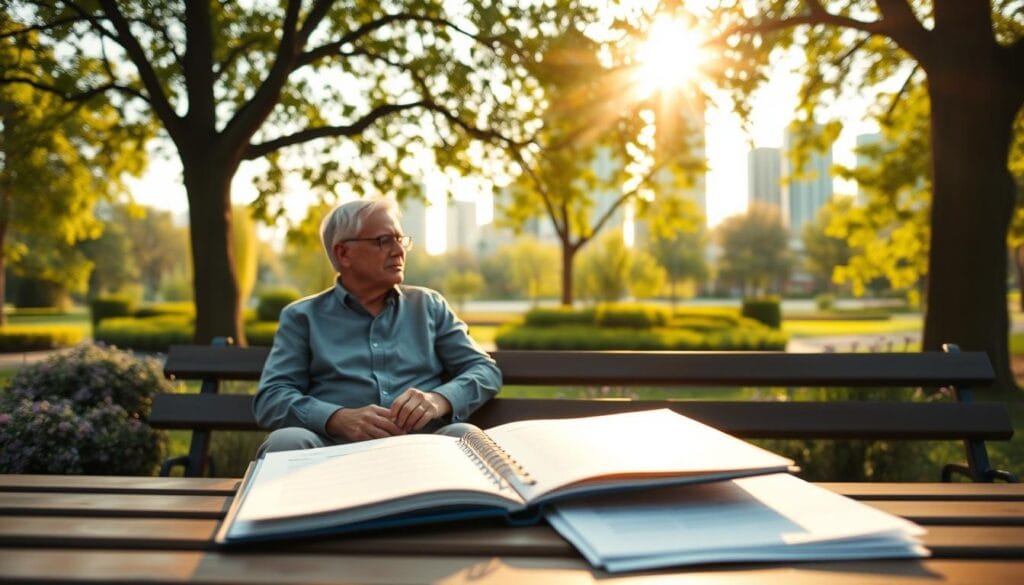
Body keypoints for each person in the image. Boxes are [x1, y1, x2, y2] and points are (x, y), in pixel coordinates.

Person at [253, 197, 501, 455]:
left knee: (464, 437)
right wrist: (337, 418)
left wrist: (438, 400)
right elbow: (272, 398)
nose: (398, 250)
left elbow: (484, 370)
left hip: (424, 450)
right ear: (343, 253)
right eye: (384, 241)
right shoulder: (302, 317)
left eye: (400, 239)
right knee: (286, 441)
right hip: (332, 453)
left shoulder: (429, 305)